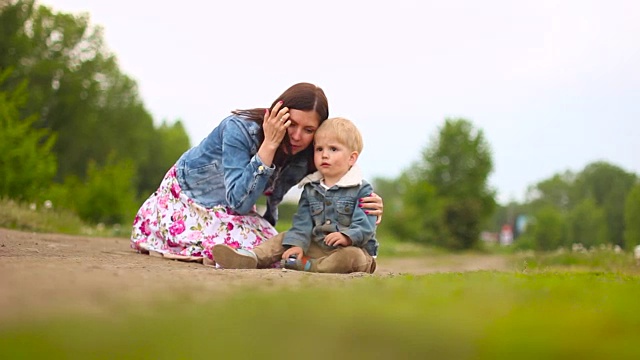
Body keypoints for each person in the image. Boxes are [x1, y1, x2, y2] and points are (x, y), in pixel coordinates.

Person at [130, 83, 383, 265]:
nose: (296, 136)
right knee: (254, 247)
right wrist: (269, 146)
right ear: (277, 114)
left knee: (276, 246)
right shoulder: (239, 129)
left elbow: (340, 179)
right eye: (291, 124)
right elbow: (238, 202)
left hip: (231, 211)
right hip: (191, 199)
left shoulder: (310, 153)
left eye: (308, 130)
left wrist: (369, 202)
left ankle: (332, 262)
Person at [212, 117, 378, 274]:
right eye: (319, 149)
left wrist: (347, 237)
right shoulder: (311, 187)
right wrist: (297, 244)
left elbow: (366, 225)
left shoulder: (361, 189)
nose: (324, 154)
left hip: (351, 249)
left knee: (353, 257)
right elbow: (302, 222)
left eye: (333, 149)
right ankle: (251, 257)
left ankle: (310, 266)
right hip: (318, 247)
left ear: (352, 158)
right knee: (285, 237)